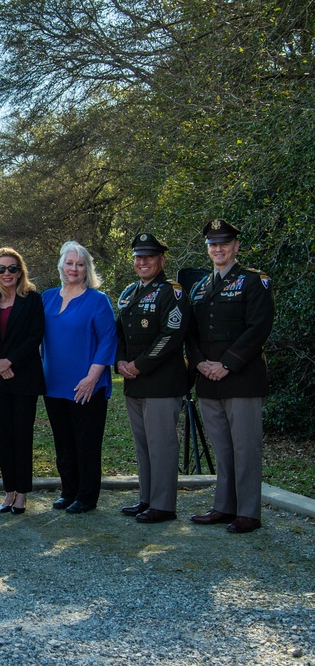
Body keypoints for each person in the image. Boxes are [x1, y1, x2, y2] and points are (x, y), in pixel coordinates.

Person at [186, 219, 274, 534]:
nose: (218, 249)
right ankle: (224, 506)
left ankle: (248, 512)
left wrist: (226, 364)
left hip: (242, 379)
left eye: (224, 243)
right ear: (207, 248)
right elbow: (190, 332)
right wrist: (199, 363)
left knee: (245, 448)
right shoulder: (200, 287)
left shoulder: (254, 281)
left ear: (236, 246)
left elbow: (258, 328)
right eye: (213, 244)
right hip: (208, 381)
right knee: (223, 449)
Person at [115, 232, 189, 523]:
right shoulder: (130, 292)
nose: (143, 262)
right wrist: (120, 360)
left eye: (149, 257)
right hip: (134, 381)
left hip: (161, 380)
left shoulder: (173, 291)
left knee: (162, 446)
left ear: (162, 259)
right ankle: (147, 499)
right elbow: (119, 332)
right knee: (144, 445)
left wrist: (139, 365)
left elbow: (171, 335)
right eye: (138, 257)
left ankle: (164, 505)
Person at [41, 241, 117, 514]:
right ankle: (68, 491)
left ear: (87, 268)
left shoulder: (98, 300)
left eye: (80, 264)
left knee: (86, 443)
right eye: (69, 263)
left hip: (87, 386)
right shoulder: (46, 298)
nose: (74, 268)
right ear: (61, 265)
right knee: (63, 444)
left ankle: (86, 497)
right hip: (53, 385)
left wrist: (92, 378)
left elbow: (108, 340)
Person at [0, 247, 45, 515]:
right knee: (3, 436)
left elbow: (34, 337)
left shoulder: (33, 300)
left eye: (12, 268)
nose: (7, 273)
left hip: (24, 378)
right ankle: (8, 491)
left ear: (20, 272)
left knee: (22, 435)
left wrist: (11, 362)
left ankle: (22, 494)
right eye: (2, 269)